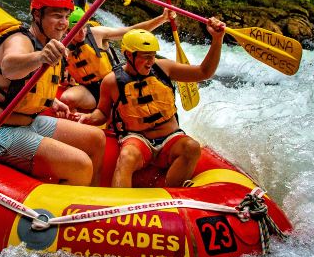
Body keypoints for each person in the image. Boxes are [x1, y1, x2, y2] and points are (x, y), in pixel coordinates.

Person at [0, 0, 106, 186]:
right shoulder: (19, 39)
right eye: (56, 16)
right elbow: (10, 66)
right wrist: (41, 57)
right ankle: (70, 212)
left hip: (29, 123)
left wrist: (54, 101)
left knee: (97, 138)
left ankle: (92, 200)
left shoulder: (47, 42)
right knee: (80, 164)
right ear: (36, 14)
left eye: (66, 17)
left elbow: (29, 87)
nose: (63, 23)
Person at [82, 23, 225, 188]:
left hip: (170, 138)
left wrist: (217, 40)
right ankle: (120, 204)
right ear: (128, 55)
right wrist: (88, 117)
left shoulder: (164, 68)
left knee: (192, 147)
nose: (151, 61)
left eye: (153, 55)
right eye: (145, 56)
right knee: (127, 156)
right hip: (137, 138)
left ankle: (171, 195)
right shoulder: (111, 81)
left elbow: (203, 73)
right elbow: (102, 112)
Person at [61, 7, 177, 114]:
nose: (82, 32)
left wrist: (162, 19)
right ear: (67, 31)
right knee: (67, 99)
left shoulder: (97, 33)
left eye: (84, 27)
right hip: (90, 90)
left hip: (115, 86)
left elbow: (131, 31)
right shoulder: (63, 45)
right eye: (77, 30)